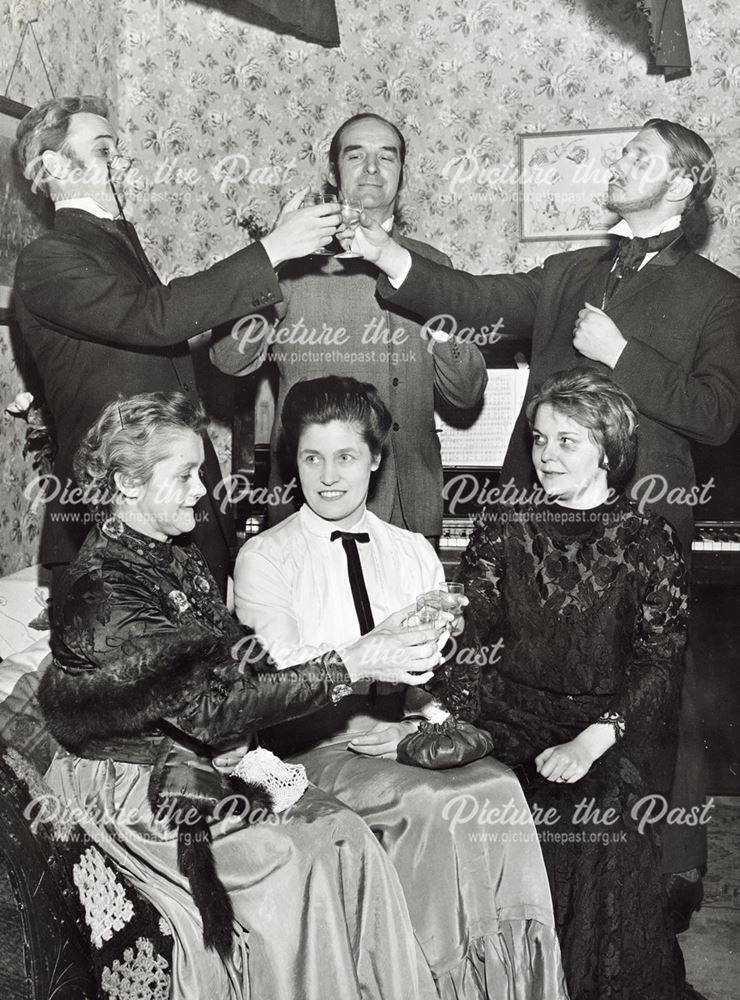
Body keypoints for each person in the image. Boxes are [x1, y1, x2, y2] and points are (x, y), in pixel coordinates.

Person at [351, 117, 740, 911]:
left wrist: (622, 354)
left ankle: (662, 871)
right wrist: (391, 257)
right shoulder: (568, 270)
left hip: (641, 516)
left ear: (683, 182)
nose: (619, 161)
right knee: (519, 671)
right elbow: (477, 298)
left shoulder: (719, 296)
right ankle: (529, 860)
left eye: (639, 154)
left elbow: (718, 413)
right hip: (536, 514)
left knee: (651, 687)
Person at [37, 390, 446, 1000]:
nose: (202, 490)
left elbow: (230, 679)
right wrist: (353, 662)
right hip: (140, 793)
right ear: (126, 482)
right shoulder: (104, 586)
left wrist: (242, 736)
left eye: (200, 472)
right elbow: (205, 708)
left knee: (346, 835)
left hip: (197, 760)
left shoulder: (175, 557)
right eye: (184, 476)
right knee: (303, 855)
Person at [234, 375, 569, 1000]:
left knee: (498, 787)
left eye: (346, 456)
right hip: (307, 751)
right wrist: (367, 659)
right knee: (436, 805)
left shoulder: (414, 550)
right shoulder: (266, 557)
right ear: (294, 461)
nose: (329, 476)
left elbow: (436, 672)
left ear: (376, 459)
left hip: (398, 739)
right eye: (312, 457)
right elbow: (280, 673)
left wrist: (417, 725)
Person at [13, 95, 341, 596]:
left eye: (119, 149)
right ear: (57, 165)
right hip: (112, 519)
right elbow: (158, 317)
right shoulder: (48, 257)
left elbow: (164, 314)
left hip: (176, 510)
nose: (120, 163)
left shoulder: (115, 244)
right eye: (104, 151)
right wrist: (272, 249)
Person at [438, 369, 690, 1000]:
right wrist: (446, 709)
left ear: (609, 451)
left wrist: (590, 743)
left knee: (598, 822)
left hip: (601, 729)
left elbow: (659, 661)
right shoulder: (505, 524)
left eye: (567, 441)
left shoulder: (648, 541)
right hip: (504, 716)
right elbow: (476, 633)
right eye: (539, 439)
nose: (545, 455)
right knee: (460, 805)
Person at [210, 113, 487, 539]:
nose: (372, 169)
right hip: (314, 511)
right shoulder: (293, 262)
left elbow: (466, 392)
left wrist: (437, 314)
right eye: (356, 155)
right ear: (333, 173)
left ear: (403, 174)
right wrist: (270, 258)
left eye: (386, 157)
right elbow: (228, 358)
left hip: (413, 510)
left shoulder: (435, 265)